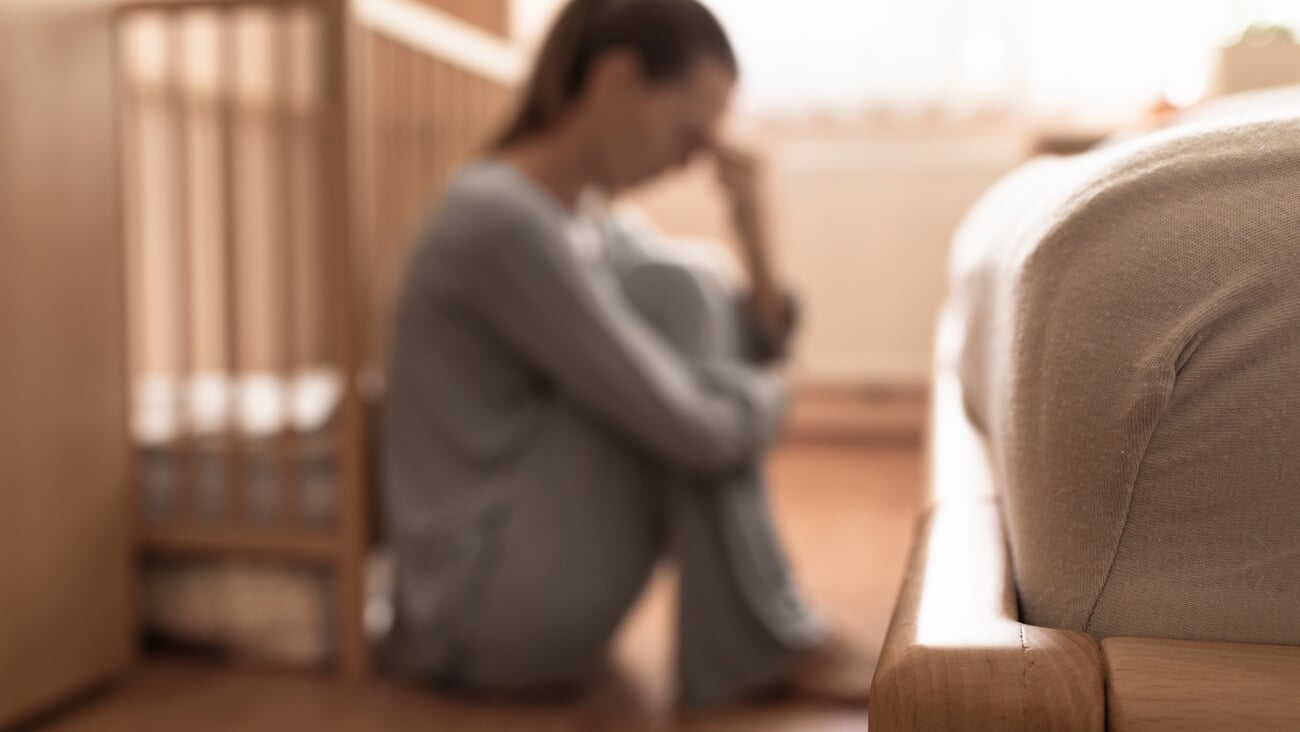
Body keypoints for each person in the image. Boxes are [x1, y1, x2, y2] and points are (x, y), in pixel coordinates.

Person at [383, 0, 874, 707]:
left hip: (522, 586)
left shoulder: (584, 220)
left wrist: (756, 236)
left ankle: (768, 634)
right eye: (688, 130)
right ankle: (765, 639)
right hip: (475, 619)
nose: (691, 160)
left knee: (687, 284)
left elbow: (737, 343)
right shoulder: (498, 219)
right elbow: (692, 430)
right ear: (616, 80)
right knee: (680, 309)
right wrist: (778, 392)